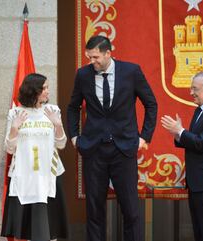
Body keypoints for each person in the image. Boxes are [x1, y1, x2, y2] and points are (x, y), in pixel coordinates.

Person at [67, 35, 157, 241]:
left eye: (96, 57)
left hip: (124, 149)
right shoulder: (83, 75)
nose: (92, 62)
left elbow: (151, 104)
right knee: (94, 210)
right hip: (93, 150)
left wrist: (144, 137)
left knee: (131, 209)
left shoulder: (131, 71)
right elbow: (72, 107)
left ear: (108, 53)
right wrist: (74, 137)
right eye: (89, 57)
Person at [161, 71, 203, 241]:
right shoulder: (200, 110)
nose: (191, 92)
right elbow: (194, 141)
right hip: (197, 180)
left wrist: (181, 131)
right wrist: (179, 135)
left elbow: (202, 143)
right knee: (199, 229)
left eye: (195, 89)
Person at [1, 73, 68, 241]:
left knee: (49, 228)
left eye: (47, 87)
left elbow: (61, 145)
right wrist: (15, 128)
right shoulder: (15, 113)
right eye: (44, 88)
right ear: (33, 91)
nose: (47, 91)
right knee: (23, 228)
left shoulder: (52, 111)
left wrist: (58, 125)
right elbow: (9, 149)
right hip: (24, 176)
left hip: (49, 175)